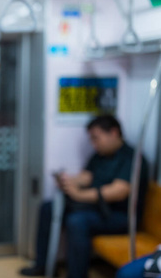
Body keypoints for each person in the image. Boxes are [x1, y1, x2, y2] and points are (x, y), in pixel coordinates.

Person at [20, 114, 148, 278]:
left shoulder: (132, 158)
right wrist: (69, 181)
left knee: (77, 221)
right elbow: (87, 176)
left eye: (96, 138)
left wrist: (79, 195)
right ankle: (43, 265)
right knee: (48, 208)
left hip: (120, 216)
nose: (94, 144)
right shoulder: (100, 155)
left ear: (114, 133)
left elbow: (118, 191)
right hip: (98, 209)